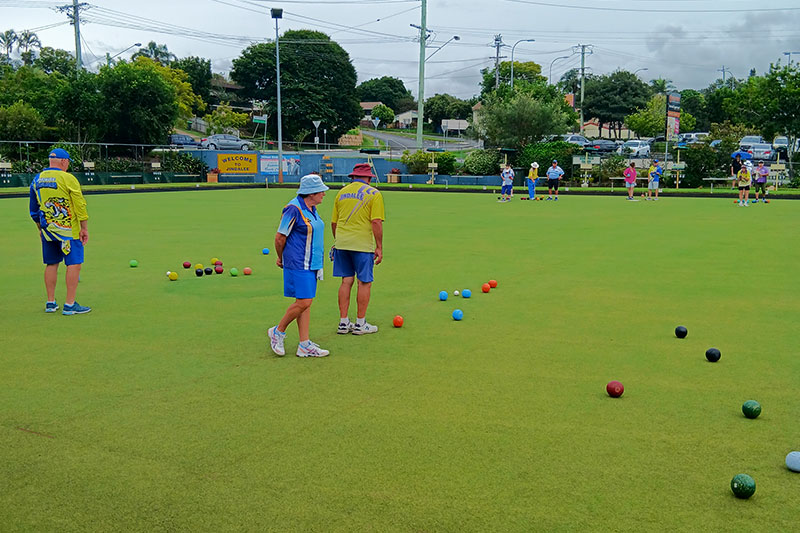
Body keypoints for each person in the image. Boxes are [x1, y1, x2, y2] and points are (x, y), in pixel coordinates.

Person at [268, 174, 330, 358]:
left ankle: (304, 344)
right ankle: (278, 332)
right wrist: (281, 258)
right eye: (321, 191)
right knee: (304, 302)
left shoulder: (312, 208)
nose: (324, 194)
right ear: (311, 193)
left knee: (305, 303)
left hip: (312, 262)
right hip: (298, 262)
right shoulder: (293, 209)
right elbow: (280, 237)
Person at [29, 148, 90, 315]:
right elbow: (80, 205)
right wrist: (84, 228)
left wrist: (40, 229)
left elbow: (34, 209)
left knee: (51, 263)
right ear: (64, 161)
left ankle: (51, 302)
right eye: (68, 162)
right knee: (74, 263)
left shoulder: (37, 179)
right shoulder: (68, 178)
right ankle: (70, 304)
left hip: (48, 230)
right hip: (68, 231)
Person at [331, 163, 385, 335]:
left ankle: (343, 322)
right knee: (364, 282)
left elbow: (334, 222)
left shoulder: (341, 193)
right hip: (362, 245)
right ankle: (360, 323)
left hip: (342, 244)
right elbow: (376, 221)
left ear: (353, 177)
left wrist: (338, 240)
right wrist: (379, 246)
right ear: (369, 178)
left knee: (346, 281)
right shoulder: (374, 194)